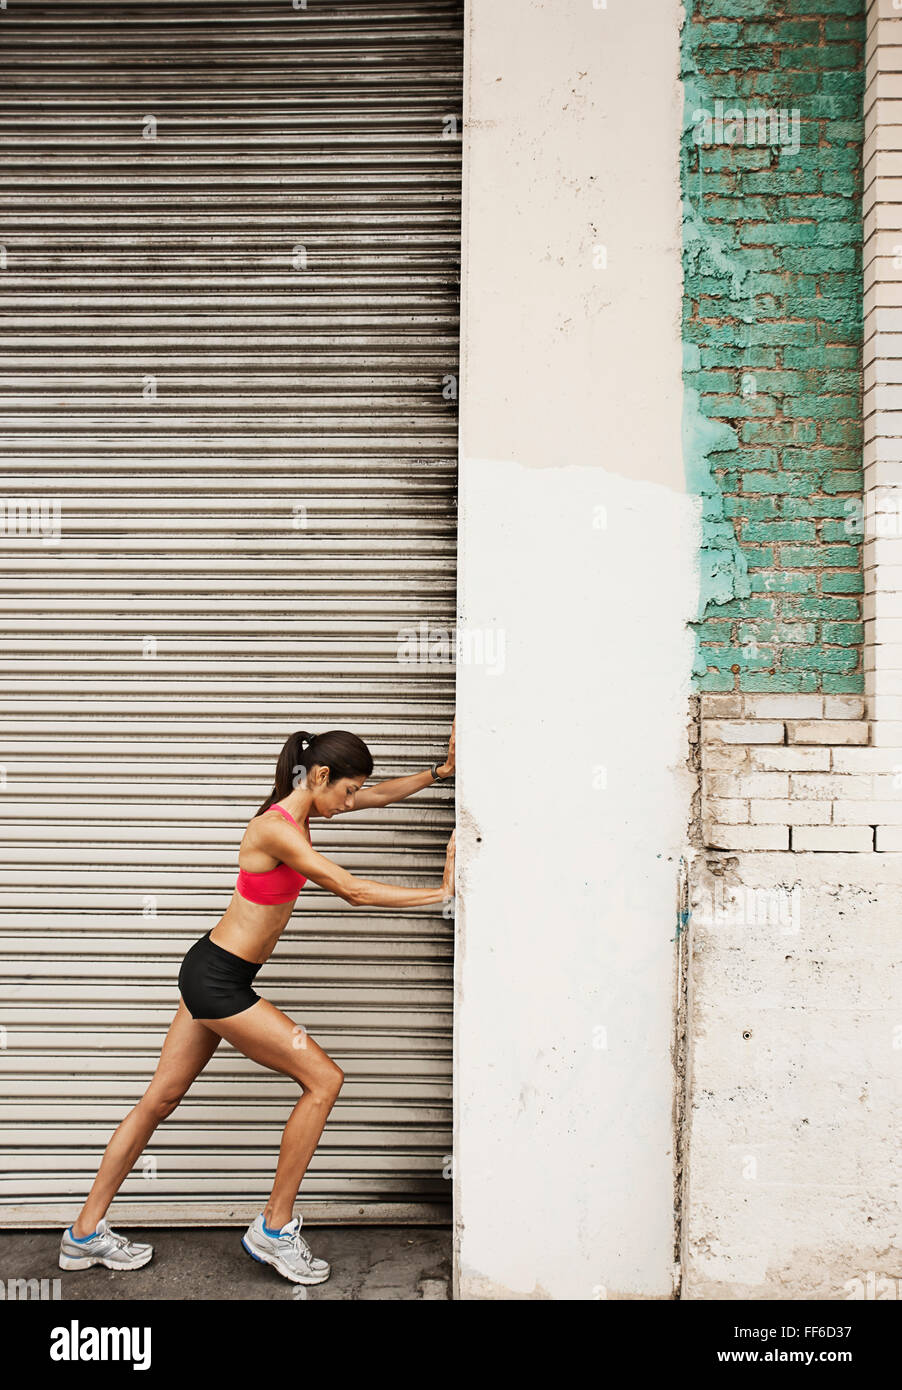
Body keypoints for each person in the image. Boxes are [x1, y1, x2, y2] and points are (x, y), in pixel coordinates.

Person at [58, 722, 456, 1286]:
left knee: (159, 1100)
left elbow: (378, 793)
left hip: (211, 971)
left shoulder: (302, 810)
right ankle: (273, 1228)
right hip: (219, 982)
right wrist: (443, 894)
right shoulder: (276, 830)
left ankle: (82, 1236)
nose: (350, 802)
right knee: (324, 1080)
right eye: (345, 790)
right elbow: (352, 889)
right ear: (319, 775)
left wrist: (439, 774)